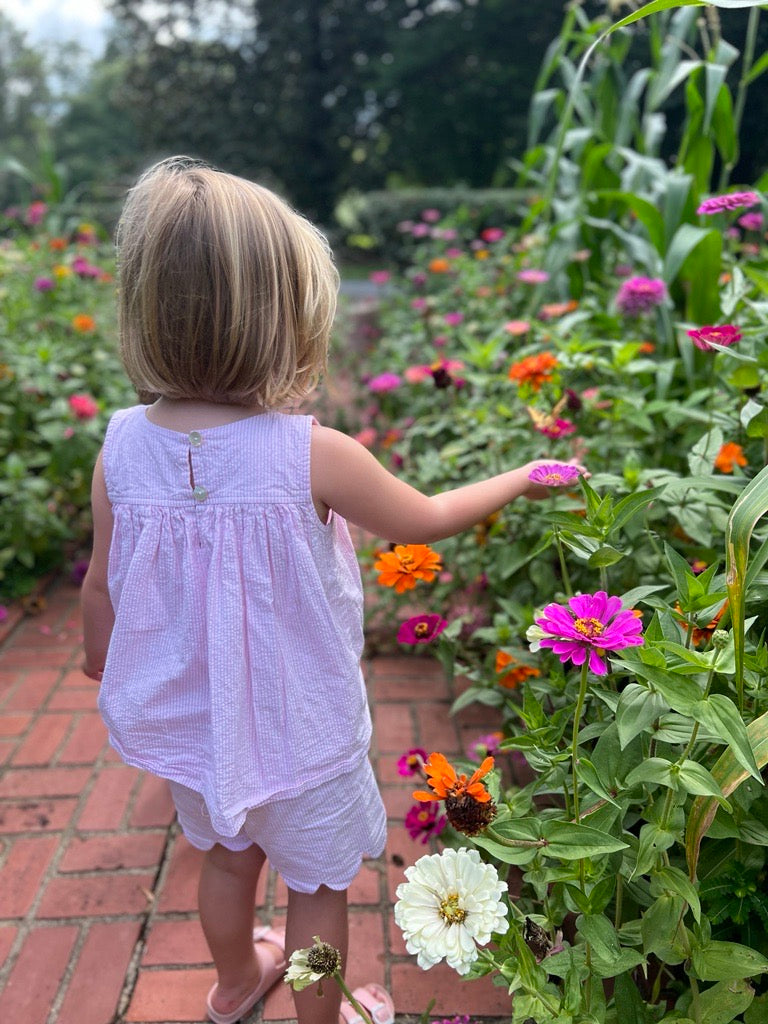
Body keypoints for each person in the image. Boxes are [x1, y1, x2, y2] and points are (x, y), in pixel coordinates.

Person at [81, 156, 576, 1024]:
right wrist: (519, 475)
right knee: (316, 884)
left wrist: (99, 660)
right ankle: (324, 1016)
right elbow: (423, 519)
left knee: (227, 860)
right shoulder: (311, 451)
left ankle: (236, 986)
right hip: (301, 728)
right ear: (284, 317)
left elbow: (99, 583)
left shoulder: (120, 446)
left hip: (198, 723)